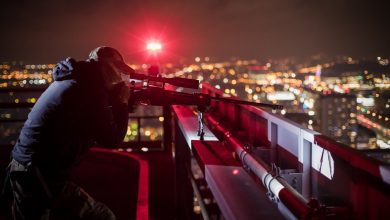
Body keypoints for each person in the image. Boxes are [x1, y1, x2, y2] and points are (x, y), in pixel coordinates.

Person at [6, 46, 133, 220]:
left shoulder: (78, 79)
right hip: (36, 172)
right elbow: (112, 139)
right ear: (109, 67)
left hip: (33, 168)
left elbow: (92, 117)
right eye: (118, 70)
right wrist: (122, 102)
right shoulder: (90, 89)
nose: (119, 77)